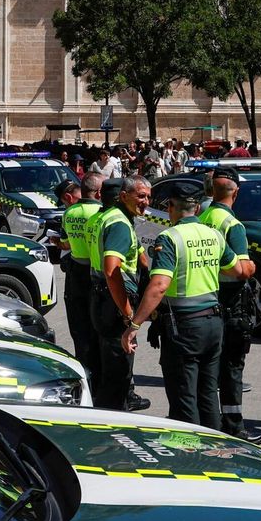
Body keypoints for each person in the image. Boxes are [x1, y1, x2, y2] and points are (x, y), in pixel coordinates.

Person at [125, 185, 245, 427]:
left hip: (184, 328)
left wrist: (134, 324)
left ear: (170, 208)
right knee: (208, 393)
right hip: (213, 324)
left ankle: (190, 456)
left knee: (184, 398)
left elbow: (159, 285)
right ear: (198, 208)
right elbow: (237, 269)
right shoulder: (215, 235)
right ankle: (214, 450)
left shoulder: (169, 238)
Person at [198, 169, 261, 442]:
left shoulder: (203, 217)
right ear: (235, 193)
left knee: (211, 363)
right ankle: (234, 425)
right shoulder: (232, 224)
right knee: (233, 365)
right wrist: (253, 265)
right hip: (231, 300)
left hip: (207, 296)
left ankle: (208, 419)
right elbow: (243, 270)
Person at [88, 175, 152, 412]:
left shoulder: (106, 217)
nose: (145, 201)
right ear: (124, 196)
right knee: (118, 374)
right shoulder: (119, 223)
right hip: (114, 302)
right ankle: (113, 430)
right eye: (141, 196)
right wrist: (127, 313)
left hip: (100, 297)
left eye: (148, 197)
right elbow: (112, 269)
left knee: (109, 371)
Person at [59, 175, 103, 382]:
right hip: (96, 272)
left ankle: (85, 375)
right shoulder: (101, 213)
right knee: (99, 328)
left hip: (76, 272)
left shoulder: (69, 213)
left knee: (80, 328)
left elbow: (65, 243)